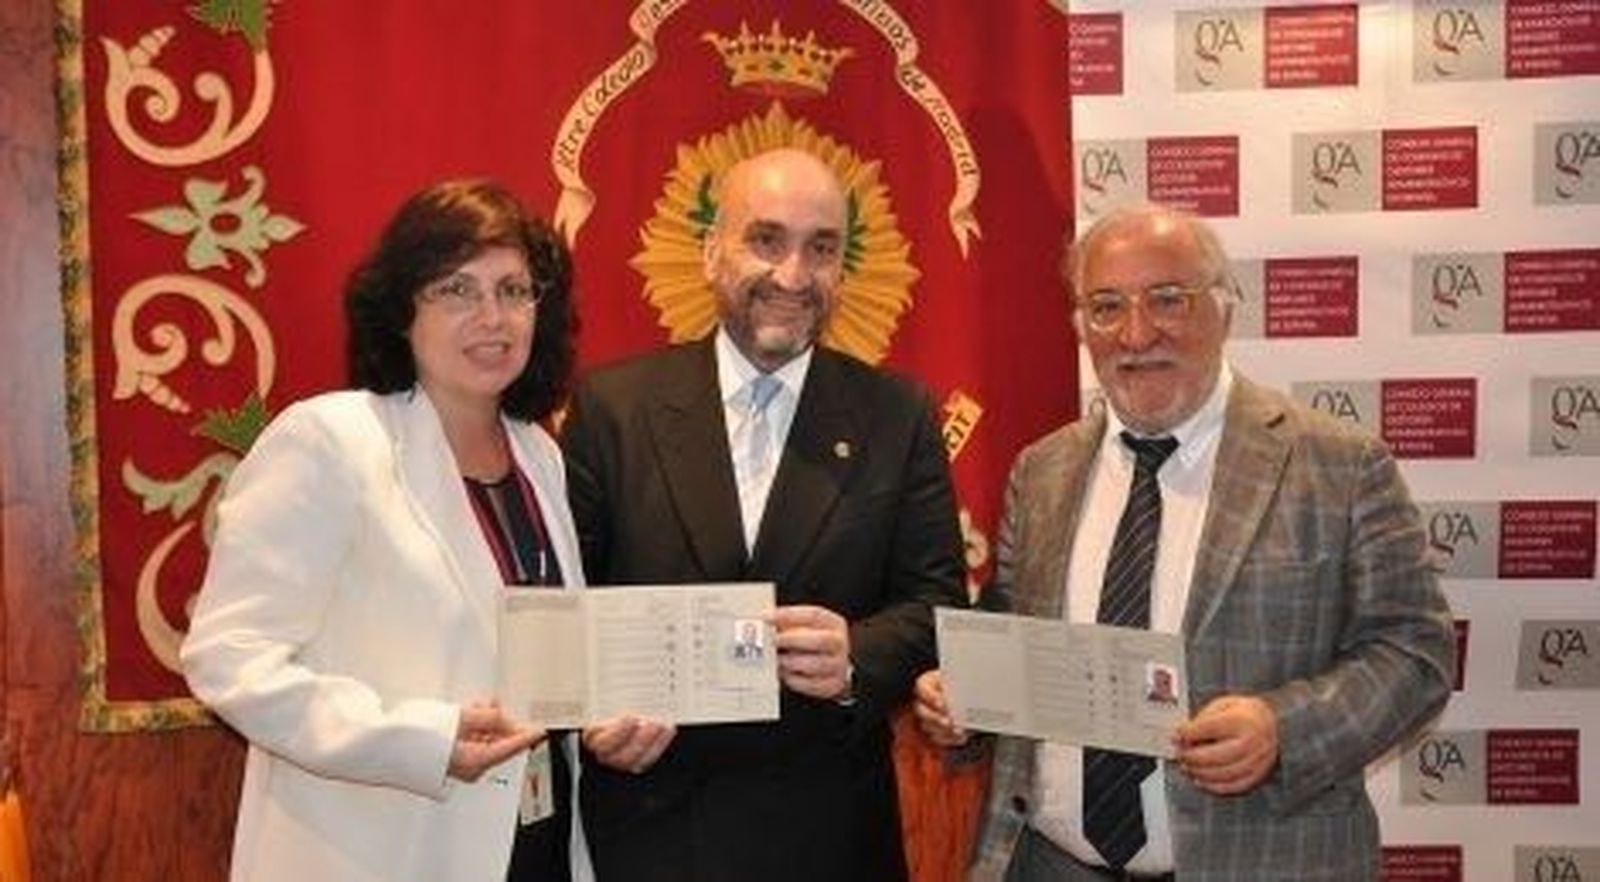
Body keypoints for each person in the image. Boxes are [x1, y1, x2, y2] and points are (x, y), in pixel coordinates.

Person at [914, 203, 1455, 881]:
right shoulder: (1042, 470)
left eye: (1168, 299)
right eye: (1107, 307)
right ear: (1082, 327)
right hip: (1049, 864)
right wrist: (964, 694)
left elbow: (1417, 652)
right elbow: (1012, 641)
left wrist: (1283, 730)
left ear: (1225, 308)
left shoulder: (1339, 465)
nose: (1138, 334)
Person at [560, 147, 967, 882]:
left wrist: (856, 658)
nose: (793, 276)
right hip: (651, 832)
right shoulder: (612, 408)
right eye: (766, 240)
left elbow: (935, 604)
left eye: (822, 248)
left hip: (828, 835)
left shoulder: (897, 414)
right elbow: (565, 604)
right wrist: (598, 711)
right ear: (712, 253)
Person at [181, 179, 593, 882]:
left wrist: (605, 713)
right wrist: (421, 741)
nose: (492, 317)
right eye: (456, 290)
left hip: (535, 843)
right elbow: (229, 658)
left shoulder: (538, 453)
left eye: (514, 290)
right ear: (403, 311)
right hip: (380, 849)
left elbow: (540, 655)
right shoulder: (328, 442)